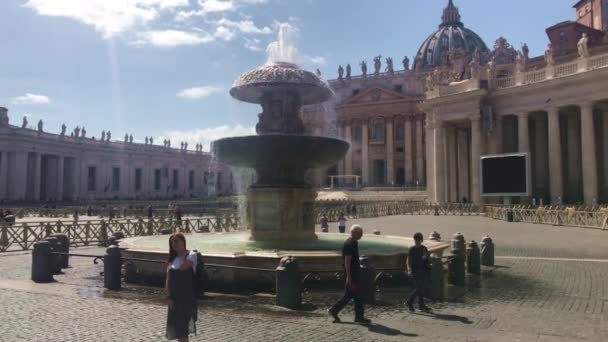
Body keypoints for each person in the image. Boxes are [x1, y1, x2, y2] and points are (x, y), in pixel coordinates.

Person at [328, 225, 371, 324]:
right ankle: (334, 310)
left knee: (355, 295)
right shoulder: (349, 244)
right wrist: (349, 277)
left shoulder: (354, 242)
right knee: (353, 295)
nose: (362, 235)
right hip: (352, 274)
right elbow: (347, 261)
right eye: (360, 233)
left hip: (355, 273)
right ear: (354, 233)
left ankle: (357, 316)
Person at [166, 233, 198, 341]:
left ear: (183, 242)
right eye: (172, 242)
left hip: (186, 299)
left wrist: (181, 254)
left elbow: (183, 268)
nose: (174, 244)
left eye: (176, 241)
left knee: (182, 330)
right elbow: (168, 280)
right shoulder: (172, 259)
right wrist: (169, 297)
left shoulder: (191, 255)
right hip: (174, 299)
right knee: (179, 331)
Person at [406, 232, 431, 312]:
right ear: (415, 240)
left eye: (419, 240)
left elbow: (425, 259)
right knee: (419, 288)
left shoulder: (424, 248)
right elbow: (408, 260)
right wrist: (409, 269)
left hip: (422, 270)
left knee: (420, 288)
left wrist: (426, 257)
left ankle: (421, 305)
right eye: (416, 240)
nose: (417, 241)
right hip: (415, 271)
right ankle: (410, 301)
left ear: (421, 240)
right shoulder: (412, 249)